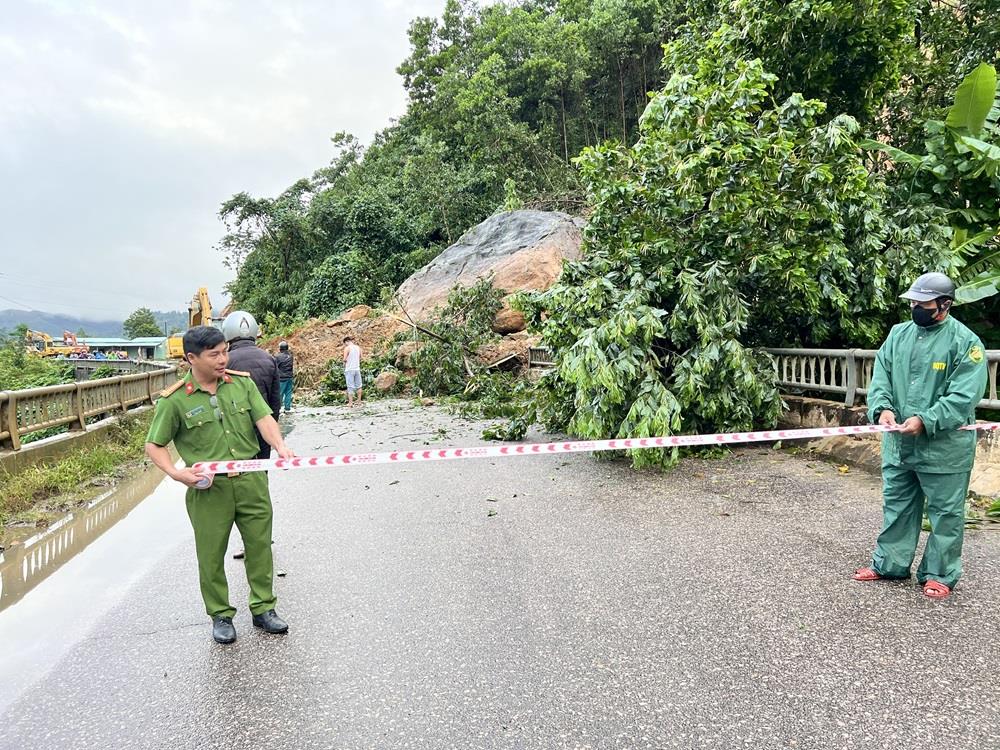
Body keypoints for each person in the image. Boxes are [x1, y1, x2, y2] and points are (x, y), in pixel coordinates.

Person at [144, 325, 295, 644]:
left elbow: (264, 419)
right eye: (214, 355)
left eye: (225, 351)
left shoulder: (242, 384)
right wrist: (176, 473)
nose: (223, 359)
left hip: (252, 480)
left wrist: (279, 446)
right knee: (211, 554)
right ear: (191, 358)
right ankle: (221, 615)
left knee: (259, 545)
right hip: (209, 489)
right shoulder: (174, 401)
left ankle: (263, 608)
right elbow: (154, 445)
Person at [853, 272, 988, 599]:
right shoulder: (898, 335)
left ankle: (939, 574)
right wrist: (882, 409)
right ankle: (889, 564)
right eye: (913, 302)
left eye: (922, 303)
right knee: (897, 507)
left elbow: (963, 397)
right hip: (900, 446)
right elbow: (881, 375)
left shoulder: (965, 343)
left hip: (944, 450)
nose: (915, 307)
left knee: (946, 514)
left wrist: (926, 420)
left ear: (944, 305)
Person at [222, 311, 281, 460]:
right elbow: (275, 398)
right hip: (264, 424)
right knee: (262, 467)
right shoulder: (269, 358)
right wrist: (272, 424)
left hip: (236, 428)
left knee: (241, 470)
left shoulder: (224, 361)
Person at [343, 335, 363, 406]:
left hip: (349, 369)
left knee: (350, 386)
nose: (345, 345)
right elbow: (361, 358)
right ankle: (359, 401)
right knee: (359, 386)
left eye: (345, 343)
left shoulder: (347, 348)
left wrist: (344, 365)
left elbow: (345, 359)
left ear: (347, 341)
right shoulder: (358, 348)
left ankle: (350, 403)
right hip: (357, 369)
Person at [275, 341, 295, 413]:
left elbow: (275, 367)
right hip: (289, 377)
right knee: (288, 393)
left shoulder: (278, 357)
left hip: (281, 378)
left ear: (280, 348)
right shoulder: (290, 356)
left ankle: (278, 408)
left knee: (280, 393)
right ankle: (287, 408)